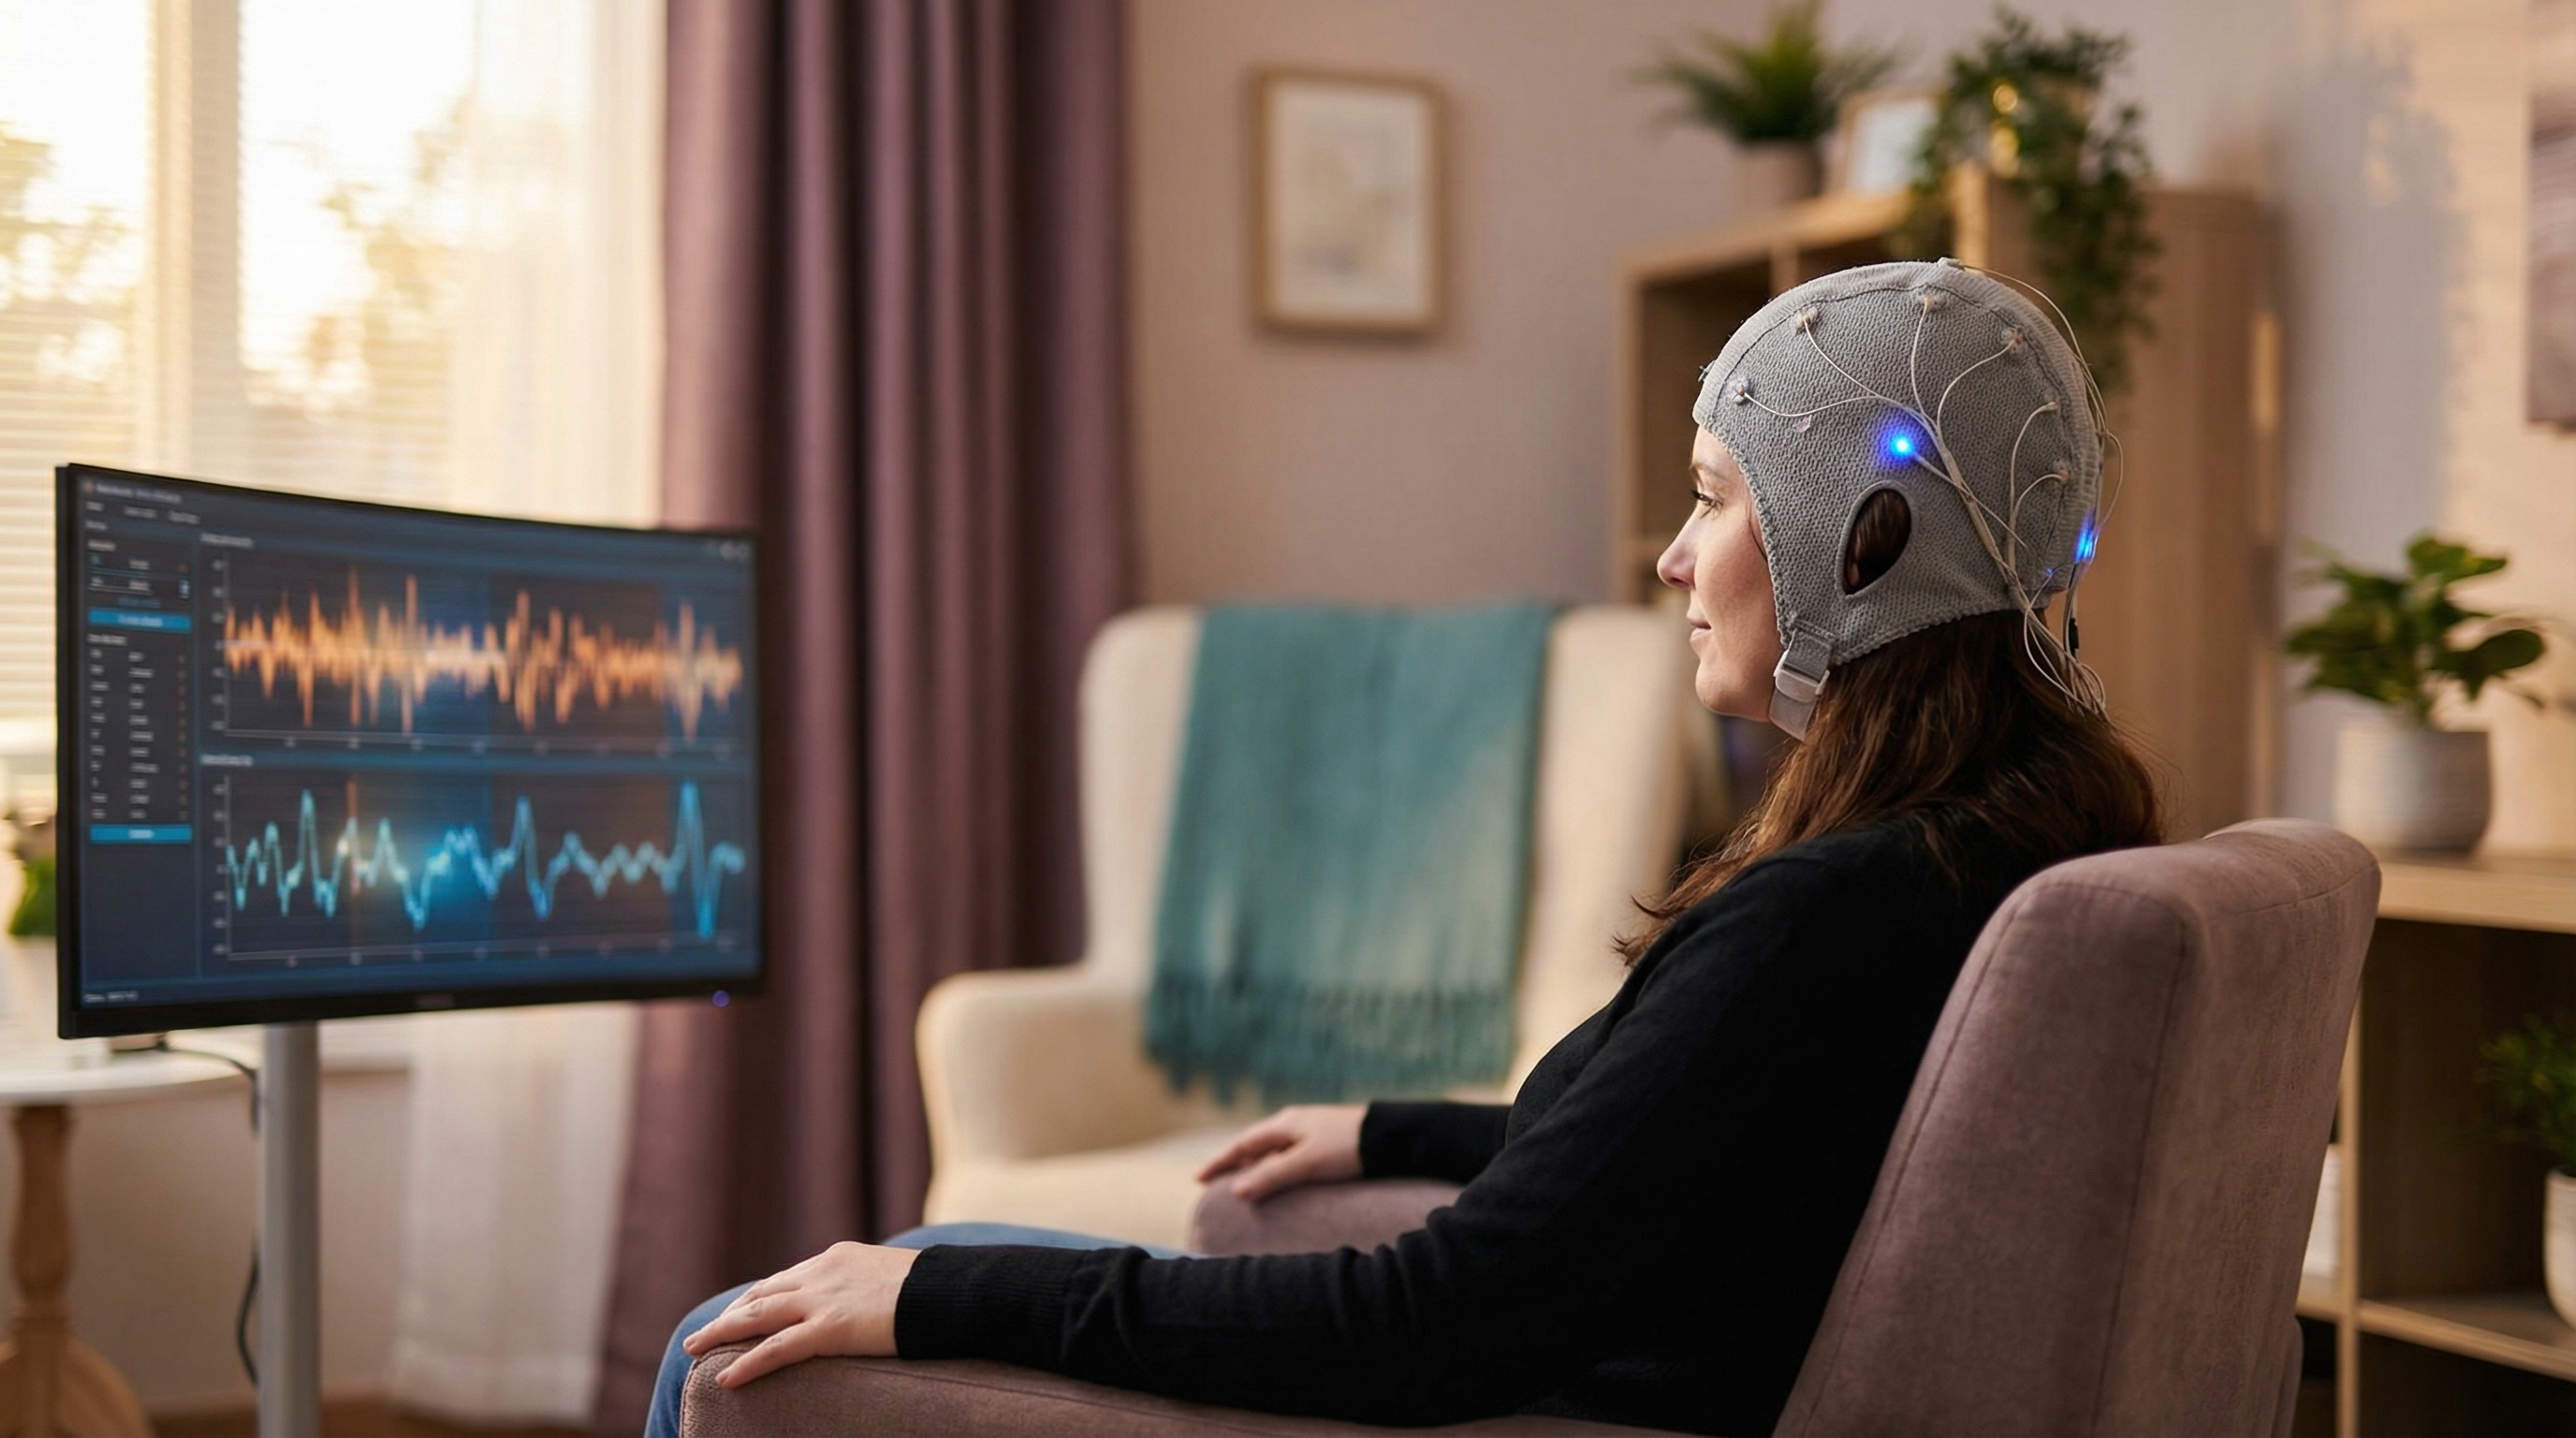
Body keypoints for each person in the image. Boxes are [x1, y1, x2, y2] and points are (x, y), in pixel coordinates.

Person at [645, 259, 2163, 1437]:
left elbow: (1427, 1323)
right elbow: (1698, 1155)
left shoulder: (1824, 917)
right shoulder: (1999, 848)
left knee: (739, 1333)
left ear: (1861, 546)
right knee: (928, 1250)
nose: (1668, 558)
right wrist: (1398, 1132)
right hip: (1568, 1367)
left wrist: (944, 1301)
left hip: (1495, 1398)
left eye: (1710, 499)